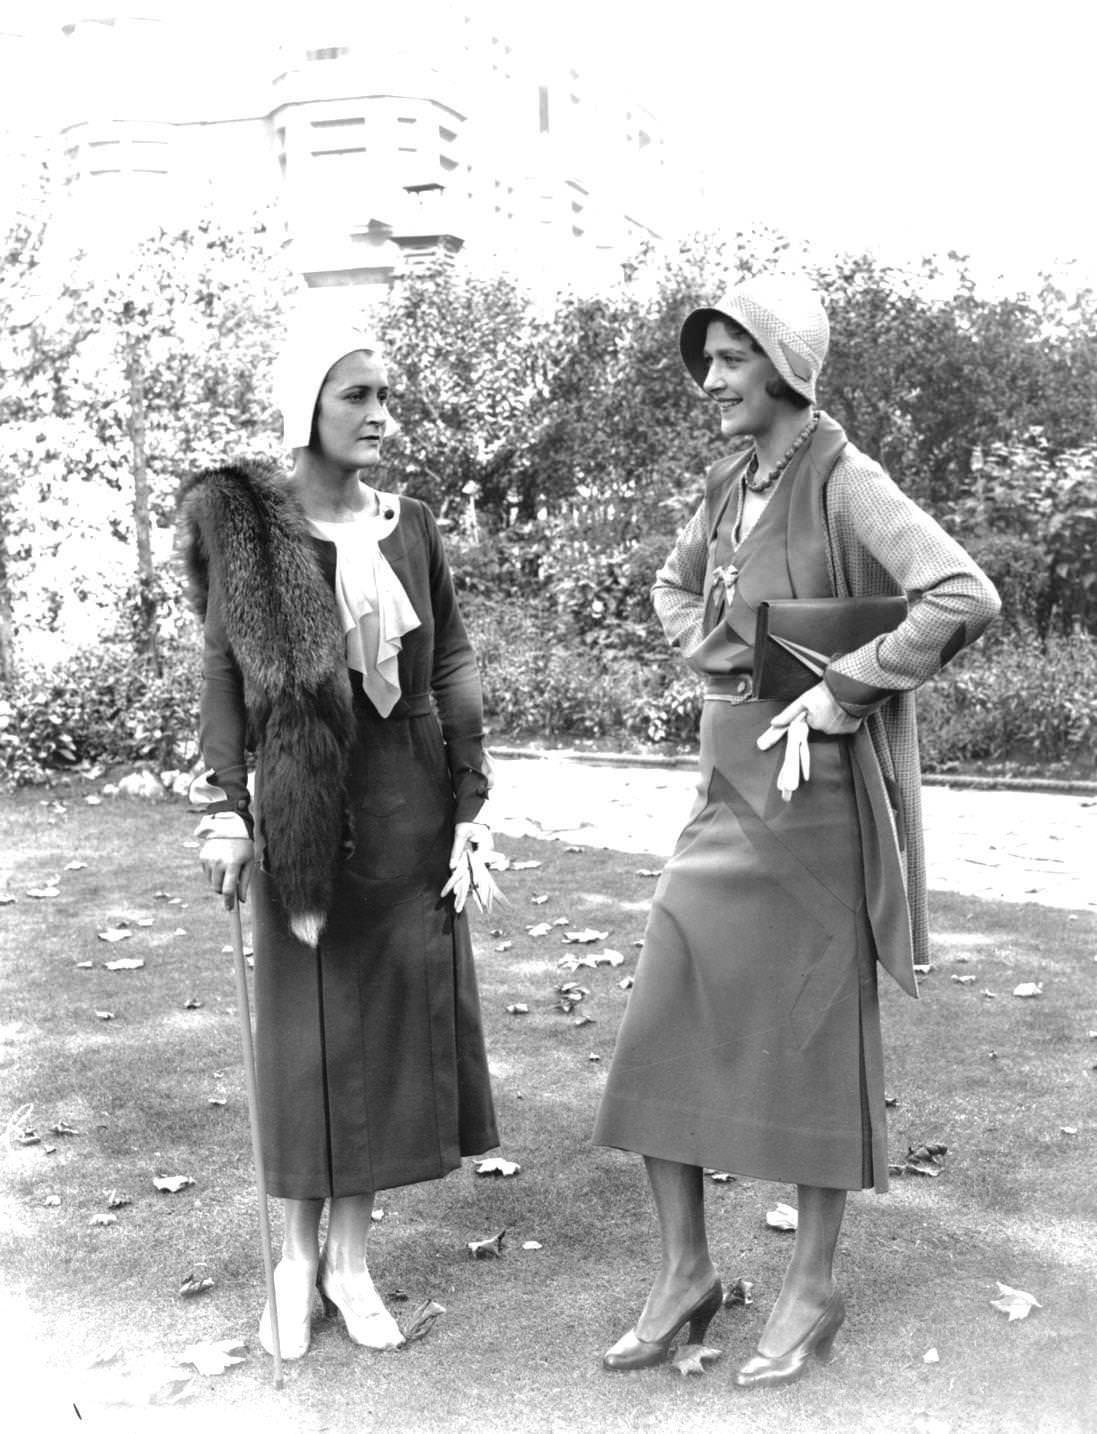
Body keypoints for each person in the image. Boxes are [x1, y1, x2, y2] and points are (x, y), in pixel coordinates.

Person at [593, 274, 1000, 1387]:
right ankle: (684, 1274)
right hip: (722, 785)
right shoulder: (732, 478)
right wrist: (719, 661)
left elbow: (960, 594)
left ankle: (810, 1289)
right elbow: (675, 590)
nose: (710, 381)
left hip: (813, 801)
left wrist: (841, 688)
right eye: (708, 359)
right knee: (664, 1007)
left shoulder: (841, 474)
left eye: (730, 360)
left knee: (812, 1038)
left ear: (783, 365)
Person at [177, 322, 499, 1360]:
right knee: (307, 1031)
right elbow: (225, 672)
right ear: (305, 406)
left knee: (384, 1033)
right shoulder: (254, 532)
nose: (378, 413)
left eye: (383, 394)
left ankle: (350, 1262)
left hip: (407, 796)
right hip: (306, 796)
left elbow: (447, 656)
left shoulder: (411, 525)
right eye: (355, 394)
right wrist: (230, 805)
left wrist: (471, 794)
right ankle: (290, 1262)